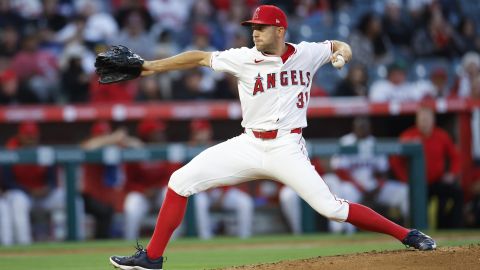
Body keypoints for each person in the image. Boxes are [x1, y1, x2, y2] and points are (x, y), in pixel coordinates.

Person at [109, 5, 436, 270]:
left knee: (331, 208)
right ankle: (152, 258)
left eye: (261, 27)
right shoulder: (243, 57)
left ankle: (407, 234)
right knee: (180, 181)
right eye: (253, 26)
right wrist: (148, 67)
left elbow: (339, 45)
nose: (254, 31)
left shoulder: (307, 53)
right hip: (249, 143)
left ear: (280, 30)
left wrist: (342, 54)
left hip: (287, 147)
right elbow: (197, 56)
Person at [3, 121, 83, 244]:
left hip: (43, 196)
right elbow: (7, 182)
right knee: (18, 202)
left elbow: (53, 180)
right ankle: (24, 245)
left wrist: (48, 188)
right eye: (27, 135)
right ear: (20, 135)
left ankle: (77, 241)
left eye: (33, 135)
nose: (30, 138)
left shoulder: (44, 152)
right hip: (22, 195)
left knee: (73, 199)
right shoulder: (10, 151)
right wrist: (29, 190)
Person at [391, 106, 463, 229]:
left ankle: (454, 229)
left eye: (427, 119)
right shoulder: (408, 136)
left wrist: (452, 174)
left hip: (437, 181)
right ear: (416, 121)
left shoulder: (441, 135)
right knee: (415, 210)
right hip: (418, 184)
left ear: (433, 120)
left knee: (457, 194)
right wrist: (405, 179)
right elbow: (395, 161)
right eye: (422, 119)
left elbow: (455, 157)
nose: (424, 122)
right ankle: (415, 231)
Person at [190, 119, 254, 239]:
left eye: (203, 131)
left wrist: (224, 192)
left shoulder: (217, 148)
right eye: (197, 131)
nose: (200, 134)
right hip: (200, 192)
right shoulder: (188, 149)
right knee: (199, 201)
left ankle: (245, 237)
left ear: (209, 132)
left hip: (220, 190)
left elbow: (227, 172)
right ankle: (205, 238)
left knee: (244, 202)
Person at [123, 119, 181, 240]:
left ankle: (173, 241)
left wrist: (157, 187)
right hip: (143, 195)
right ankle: (129, 242)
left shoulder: (167, 150)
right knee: (131, 205)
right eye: (156, 132)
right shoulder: (136, 152)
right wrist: (143, 190)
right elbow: (128, 182)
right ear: (147, 135)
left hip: (160, 192)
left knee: (170, 192)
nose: (161, 134)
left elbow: (175, 176)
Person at [80, 121, 135, 239]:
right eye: (101, 134)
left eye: (106, 134)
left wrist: (123, 139)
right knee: (105, 211)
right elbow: (88, 146)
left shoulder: (115, 147)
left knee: (127, 207)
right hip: (90, 196)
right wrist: (112, 138)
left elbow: (140, 147)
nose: (104, 137)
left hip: (113, 195)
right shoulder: (92, 145)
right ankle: (99, 243)